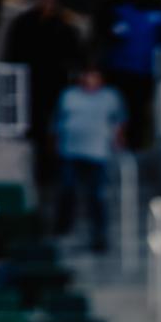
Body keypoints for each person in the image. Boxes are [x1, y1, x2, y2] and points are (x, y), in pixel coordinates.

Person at [6, 0, 84, 185]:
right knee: (33, 128)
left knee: (56, 129)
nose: (48, 3)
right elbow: (13, 54)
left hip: (55, 85)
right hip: (29, 85)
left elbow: (75, 55)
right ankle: (37, 170)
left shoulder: (64, 26)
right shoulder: (23, 23)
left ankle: (52, 170)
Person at [96, 0, 161, 151]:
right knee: (115, 108)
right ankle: (111, 144)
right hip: (117, 68)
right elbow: (101, 32)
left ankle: (136, 146)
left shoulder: (157, 5)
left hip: (145, 69)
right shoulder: (114, 4)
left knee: (139, 110)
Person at [52, 65, 126, 254]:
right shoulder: (69, 95)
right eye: (88, 75)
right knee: (67, 189)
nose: (91, 79)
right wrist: (55, 146)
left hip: (98, 154)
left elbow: (118, 123)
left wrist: (118, 144)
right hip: (70, 151)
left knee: (97, 196)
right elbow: (57, 122)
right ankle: (62, 229)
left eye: (95, 76)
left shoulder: (110, 96)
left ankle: (99, 237)